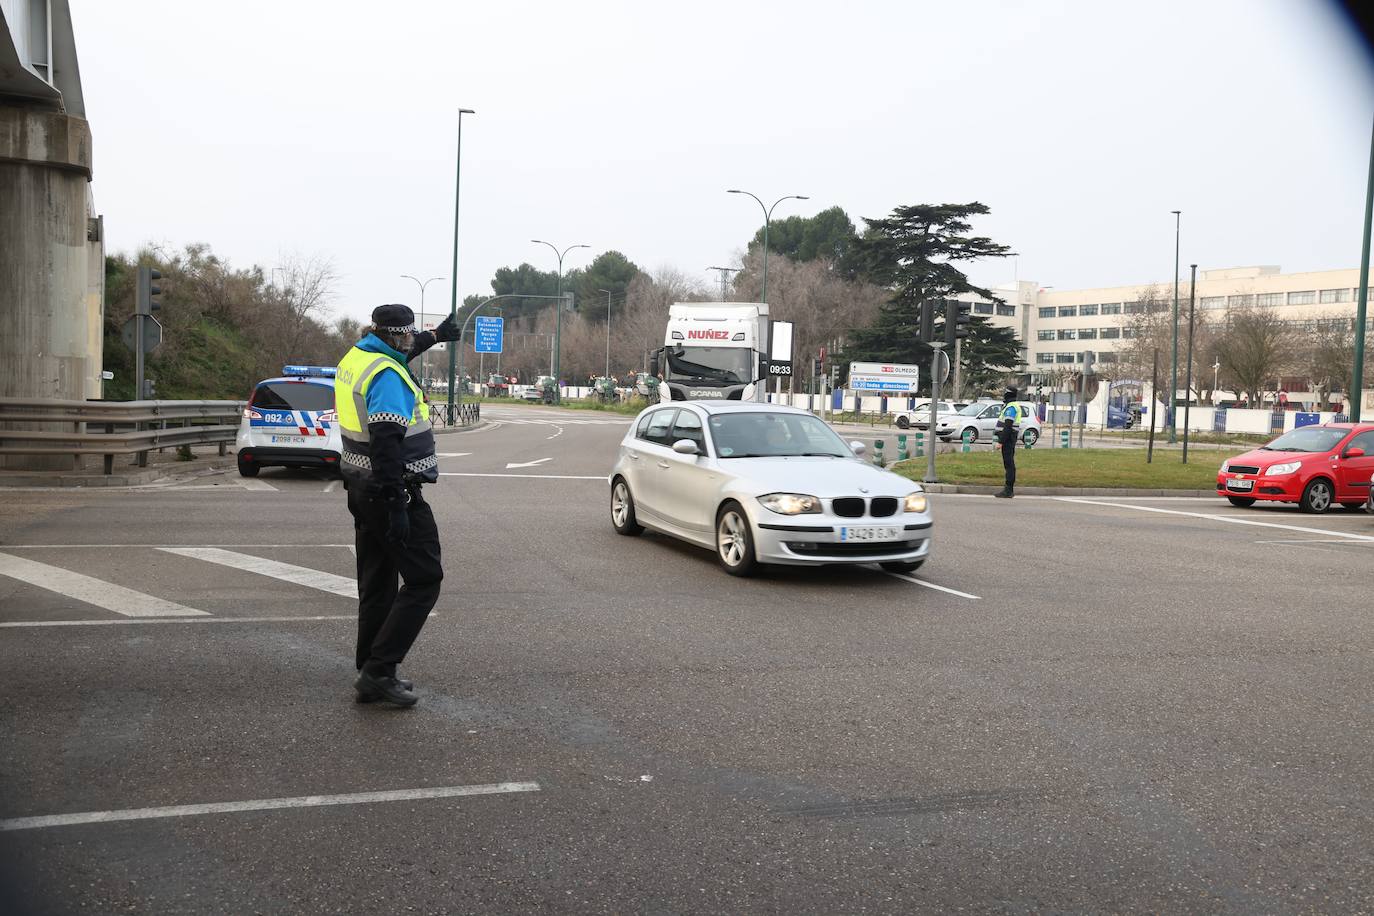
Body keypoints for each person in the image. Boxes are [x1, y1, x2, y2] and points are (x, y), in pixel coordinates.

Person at [334, 304, 460, 707]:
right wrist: (398, 504)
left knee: (378, 581)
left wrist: (435, 336)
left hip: (358, 483)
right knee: (425, 579)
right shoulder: (387, 377)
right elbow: (388, 443)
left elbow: (401, 352)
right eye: (405, 336)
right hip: (390, 487)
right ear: (390, 336)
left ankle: (368, 662)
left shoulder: (359, 357)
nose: (409, 342)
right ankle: (379, 671)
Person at [994, 386, 1020, 499]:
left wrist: (1001, 441)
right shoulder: (1009, 406)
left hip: (1008, 439)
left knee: (1009, 464)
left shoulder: (1011, 407)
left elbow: (1008, 426)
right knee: (1008, 463)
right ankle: (1008, 489)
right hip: (1008, 438)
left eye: (1005, 393)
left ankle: (1008, 490)